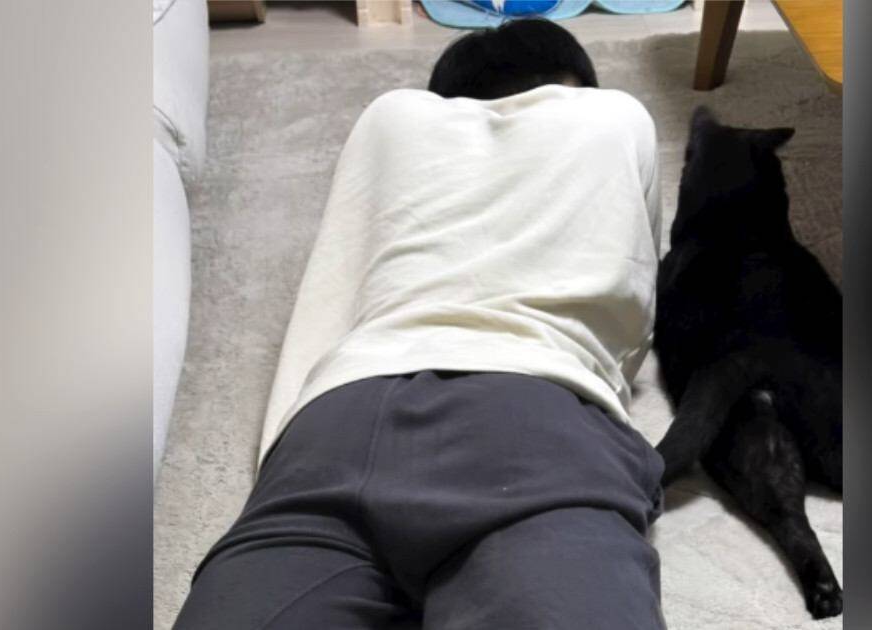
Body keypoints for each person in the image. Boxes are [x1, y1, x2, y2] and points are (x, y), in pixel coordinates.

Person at [174, 18, 665, 630]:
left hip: (339, 426)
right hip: (532, 420)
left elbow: (343, 272)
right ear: (577, 85)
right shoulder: (616, 116)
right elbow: (634, 299)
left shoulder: (389, 118)